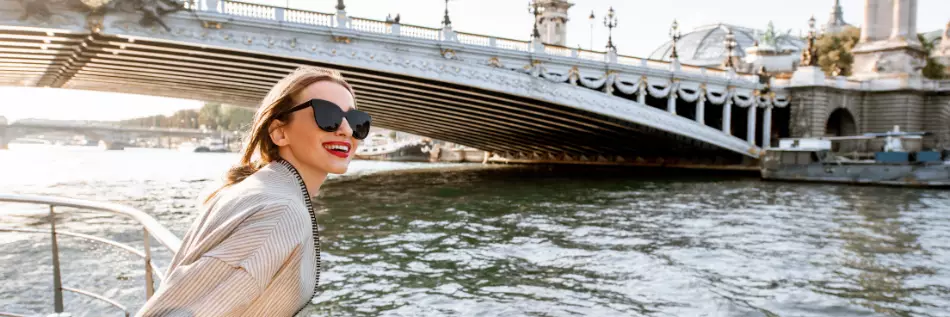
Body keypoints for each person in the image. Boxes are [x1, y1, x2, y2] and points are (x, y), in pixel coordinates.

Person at [136, 66, 371, 316]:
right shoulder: (282, 213)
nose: (346, 130)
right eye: (328, 115)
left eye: (357, 122)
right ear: (279, 132)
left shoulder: (255, 188)